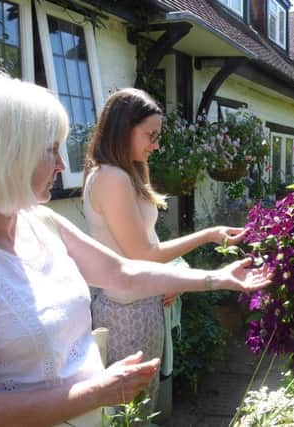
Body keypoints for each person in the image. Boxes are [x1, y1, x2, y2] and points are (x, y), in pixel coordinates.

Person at [0, 72, 271, 427]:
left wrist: (218, 278)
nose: (62, 165)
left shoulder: (41, 221)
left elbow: (122, 273)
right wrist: (97, 392)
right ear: (4, 156)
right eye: (50, 150)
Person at [82, 88, 246, 421]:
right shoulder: (112, 178)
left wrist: (167, 277)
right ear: (122, 127)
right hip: (128, 314)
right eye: (150, 135)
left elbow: (140, 249)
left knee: (137, 410)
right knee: (129, 414)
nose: (155, 145)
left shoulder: (120, 172)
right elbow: (143, 253)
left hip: (136, 304)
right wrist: (208, 235)